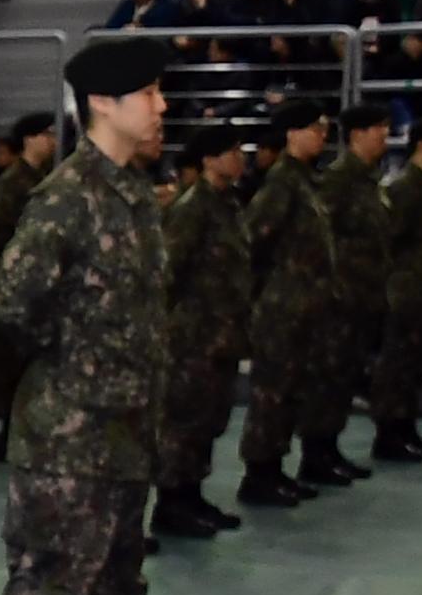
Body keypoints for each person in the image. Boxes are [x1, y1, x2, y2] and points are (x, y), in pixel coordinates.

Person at [0, 35, 172, 595]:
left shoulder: (131, 193)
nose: (162, 106)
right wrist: (72, 378)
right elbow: (13, 302)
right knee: (49, 592)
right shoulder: (66, 197)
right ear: (103, 103)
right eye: (150, 93)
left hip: (123, 437)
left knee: (111, 586)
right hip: (69, 440)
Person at [154, 121, 255, 540]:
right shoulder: (191, 207)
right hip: (193, 337)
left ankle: (193, 495)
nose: (240, 158)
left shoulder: (228, 203)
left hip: (222, 334)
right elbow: (168, 272)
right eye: (231, 151)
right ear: (210, 160)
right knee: (184, 421)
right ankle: (172, 503)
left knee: (210, 419)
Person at [234, 105, 338, 509]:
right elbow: (253, 238)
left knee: (290, 391)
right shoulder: (281, 183)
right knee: (272, 394)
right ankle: (259, 473)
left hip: (302, 307)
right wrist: (269, 287)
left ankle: (274, 469)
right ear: (293, 134)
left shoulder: (305, 181)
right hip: (282, 308)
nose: (322, 137)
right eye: (315, 128)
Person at [0, 115, 58, 460]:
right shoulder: (13, 182)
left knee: (22, 360)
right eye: (46, 134)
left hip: (33, 282)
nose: (52, 141)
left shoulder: (41, 180)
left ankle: (9, 430)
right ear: (29, 139)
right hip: (8, 280)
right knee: (1, 359)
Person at [309, 107, 393, 482]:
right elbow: (323, 238)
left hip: (363, 296)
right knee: (329, 377)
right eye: (378, 128)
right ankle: (317, 452)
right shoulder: (339, 180)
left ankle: (329, 448)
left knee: (344, 377)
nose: (385, 136)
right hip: (340, 298)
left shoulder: (368, 180)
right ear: (357, 135)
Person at [369, 114, 422, 463]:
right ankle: (389, 432)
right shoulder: (404, 188)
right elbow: (389, 238)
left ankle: (405, 429)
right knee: (399, 365)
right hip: (408, 292)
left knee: (415, 365)